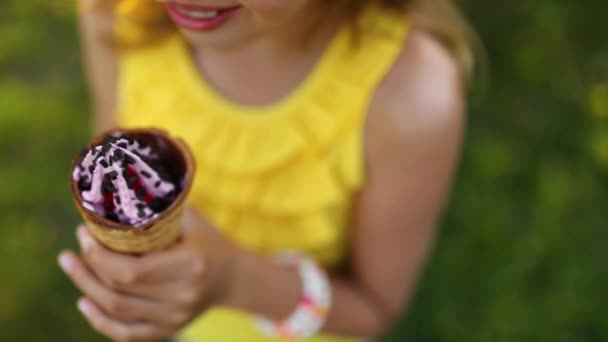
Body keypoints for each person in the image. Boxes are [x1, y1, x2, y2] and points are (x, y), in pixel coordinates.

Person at [58, 0, 474, 340]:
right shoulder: (115, 12)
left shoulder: (409, 97)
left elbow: (374, 307)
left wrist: (233, 282)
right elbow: (112, 151)